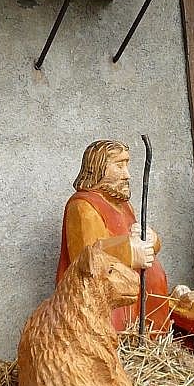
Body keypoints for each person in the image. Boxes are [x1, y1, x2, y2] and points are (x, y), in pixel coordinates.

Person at [56, 140, 172, 332]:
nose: (127, 175)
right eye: (119, 166)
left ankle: (150, 335)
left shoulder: (123, 205)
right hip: (99, 296)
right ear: (98, 168)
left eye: (127, 165)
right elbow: (86, 257)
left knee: (153, 271)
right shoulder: (82, 206)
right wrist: (130, 251)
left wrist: (151, 240)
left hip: (131, 298)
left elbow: (137, 241)